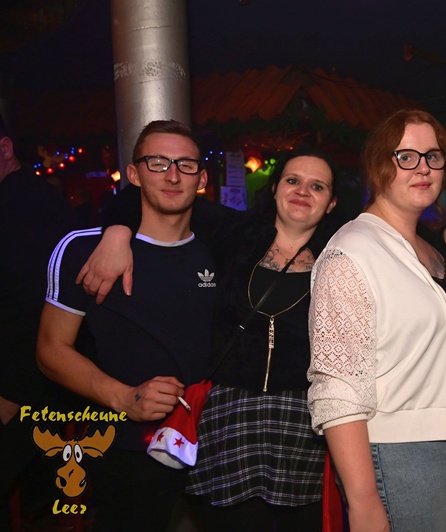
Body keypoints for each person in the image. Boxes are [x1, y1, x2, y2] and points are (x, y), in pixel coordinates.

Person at [78, 148, 342, 531]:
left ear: (331, 202)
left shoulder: (343, 254)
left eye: (317, 186)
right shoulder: (233, 233)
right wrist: (117, 232)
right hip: (229, 420)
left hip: (302, 423)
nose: (303, 191)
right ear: (274, 189)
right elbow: (152, 196)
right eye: (292, 180)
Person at [36, 119, 215, 531]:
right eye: (158, 163)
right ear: (133, 174)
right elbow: (50, 351)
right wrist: (124, 397)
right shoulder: (85, 248)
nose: (173, 175)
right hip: (126, 448)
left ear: (202, 179)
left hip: (215, 448)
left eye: (186, 165)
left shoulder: (220, 250)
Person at [308, 109, 446, 532]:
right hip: (399, 451)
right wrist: (363, 499)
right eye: (406, 156)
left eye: (433, 156)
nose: (423, 168)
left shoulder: (429, 248)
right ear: (378, 165)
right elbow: (338, 389)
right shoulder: (351, 252)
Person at [0, 117, 82, 530]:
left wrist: (11, 395)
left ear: (5, 149)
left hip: (34, 384)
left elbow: (38, 310)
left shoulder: (26, 206)